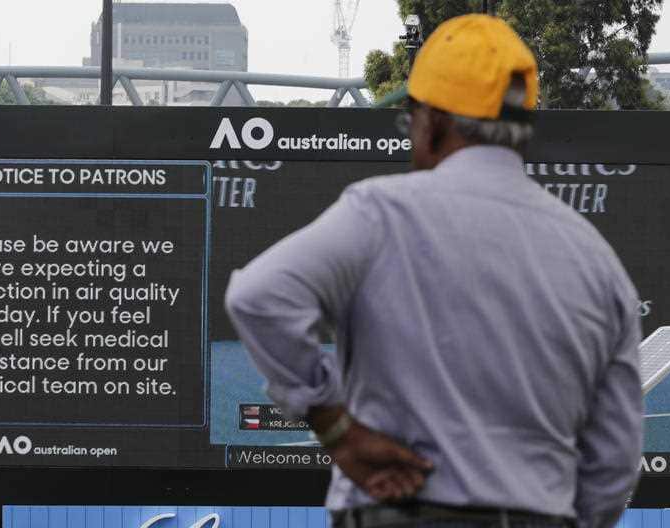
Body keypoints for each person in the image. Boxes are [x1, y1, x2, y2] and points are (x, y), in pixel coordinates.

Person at [225, 14, 643, 528]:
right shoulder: (595, 259)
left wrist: (336, 427)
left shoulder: (381, 213)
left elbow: (259, 297)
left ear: (435, 121)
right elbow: (615, 456)